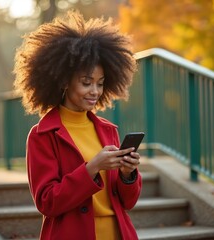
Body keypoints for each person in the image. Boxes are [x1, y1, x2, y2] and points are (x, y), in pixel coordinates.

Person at [13, 10, 141, 240]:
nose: (95, 91)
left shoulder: (108, 130)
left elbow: (128, 202)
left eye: (100, 84)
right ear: (64, 81)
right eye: (86, 82)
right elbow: (47, 202)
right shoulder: (42, 135)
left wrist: (127, 174)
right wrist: (92, 168)